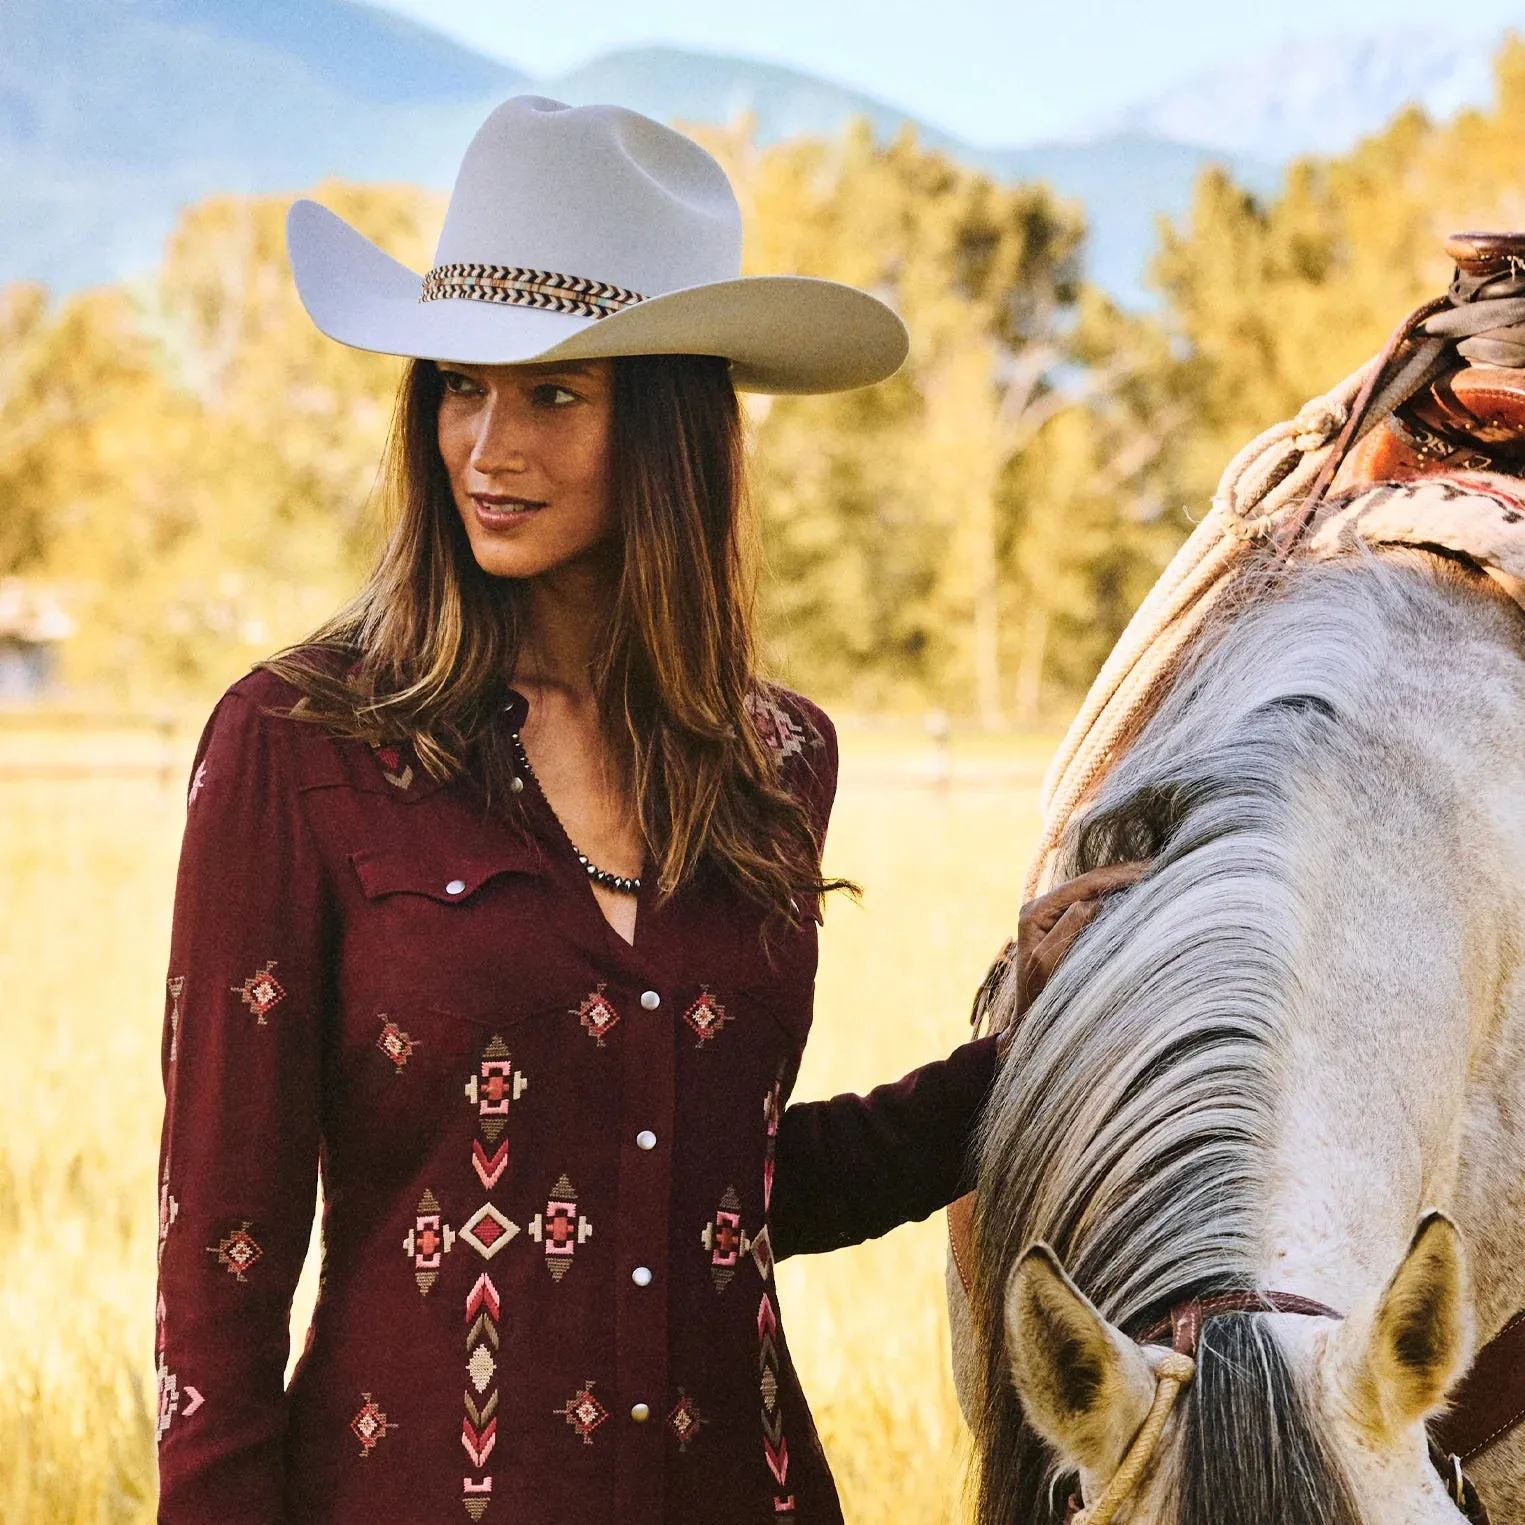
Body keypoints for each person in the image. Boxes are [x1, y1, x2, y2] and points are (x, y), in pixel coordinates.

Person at [153, 95, 1126, 1525]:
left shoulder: (777, 760)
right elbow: (220, 1259)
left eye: (555, 394)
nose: (489, 444)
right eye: (461, 386)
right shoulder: (301, 745)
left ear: (671, 427)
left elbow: (720, 1191)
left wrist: (1026, 1059)